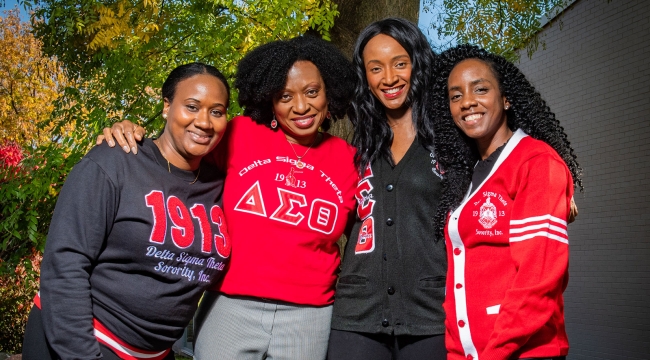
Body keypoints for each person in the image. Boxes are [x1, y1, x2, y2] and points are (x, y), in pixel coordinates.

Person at [97, 35, 358, 360]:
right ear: (269, 100)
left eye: (312, 92)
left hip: (311, 315)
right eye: (285, 96)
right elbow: (175, 157)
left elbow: (370, 240)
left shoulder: (351, 161)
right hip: (230, 305)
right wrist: (132, 135)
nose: (301, 107)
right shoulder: (239, 134)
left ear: (329, 92)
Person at [22, 62, 232, 360]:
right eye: (192, 106)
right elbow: (65, 262)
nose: (204, 121)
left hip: (155, 353)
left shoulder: (221, 186)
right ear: (166, 106)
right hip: (84, 342)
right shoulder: (116, 161)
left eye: (217, 111)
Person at [430, 44, 583, 360]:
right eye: (455, 96)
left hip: (524, 352)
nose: (467, 102)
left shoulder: (536, 163)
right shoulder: (468, 176)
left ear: (507, 98)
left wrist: (493, 355)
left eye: (480, 89)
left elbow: (538, 280)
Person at [327, 18, 447, 360]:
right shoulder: (355, 147)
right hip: (356, 316)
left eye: (399, 63)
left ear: (417, 64)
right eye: (375, 68)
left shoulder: (450, 140)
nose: (389, 78)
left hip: (432, 315)